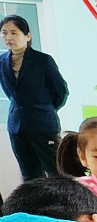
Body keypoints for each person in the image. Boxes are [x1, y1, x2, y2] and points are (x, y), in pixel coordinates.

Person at [0, 15, 69, 180]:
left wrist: (44, 108)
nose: (8, 37)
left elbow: (61, 91)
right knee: (29, 175)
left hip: (43, 125)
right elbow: (11, 93)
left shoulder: (43, 60)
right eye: (4, 33)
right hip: (16, 127)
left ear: (28, 36)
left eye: (14, 33)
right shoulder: (1, 62)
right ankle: (35, 198)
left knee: (56, 172)